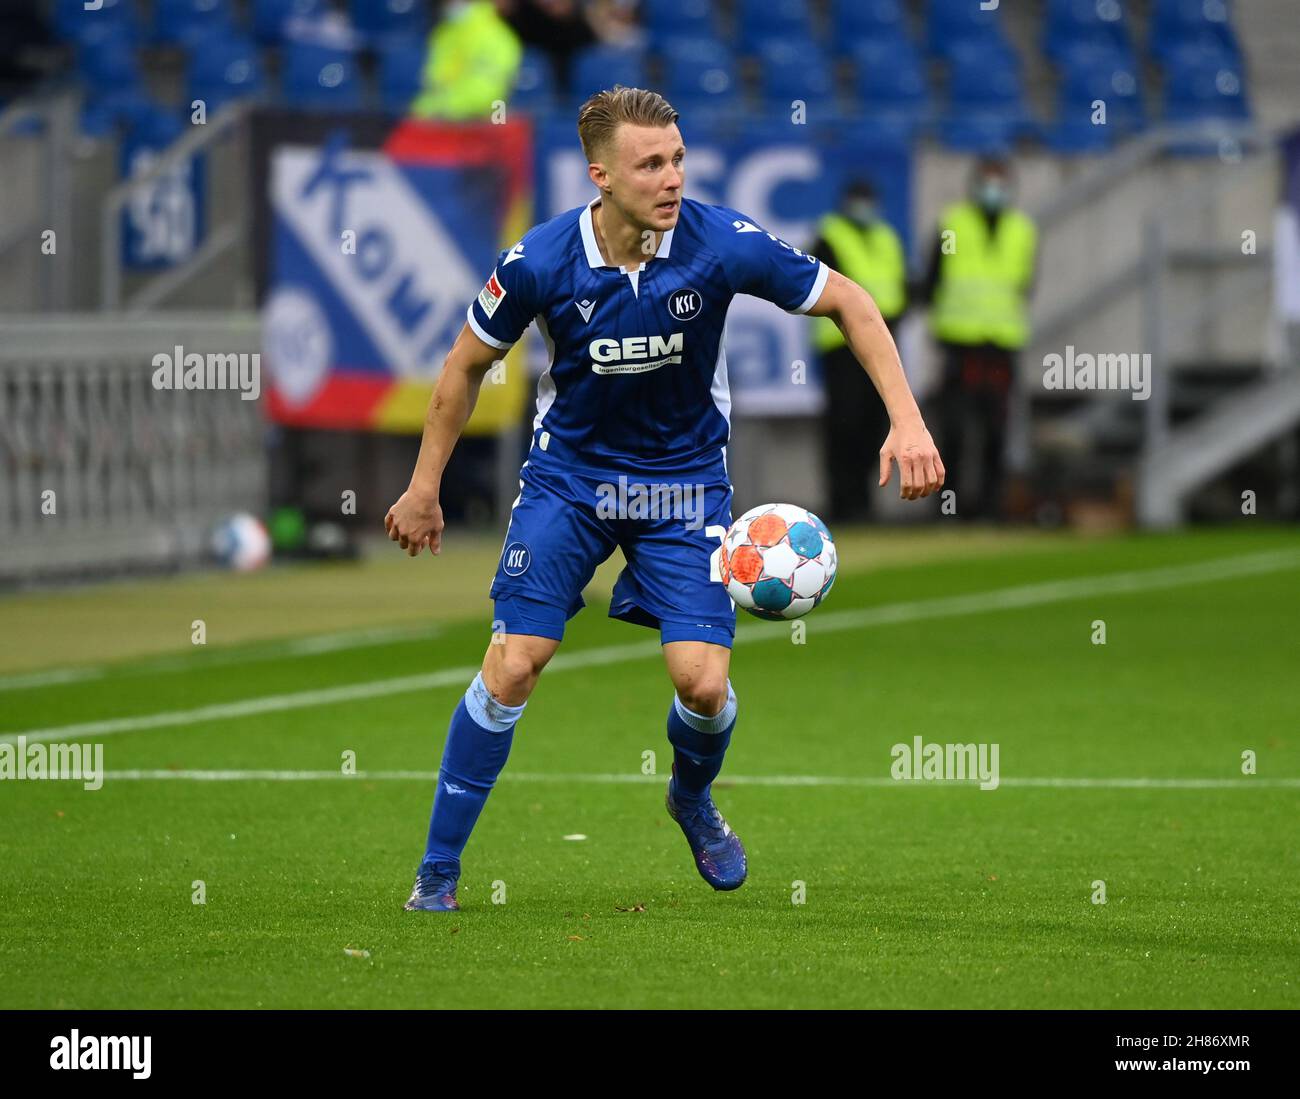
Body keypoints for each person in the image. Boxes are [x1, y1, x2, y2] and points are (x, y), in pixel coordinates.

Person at [385, 85, 944, 912]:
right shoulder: (539, 260)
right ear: (601, 175)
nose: (672, 176)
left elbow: (852, 302)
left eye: (678, 157)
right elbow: (465, 364)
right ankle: (437, 869)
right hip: (569, 481)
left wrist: (907, 420)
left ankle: (689, 796)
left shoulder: (719, 243)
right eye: (651, 163)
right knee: (513, 665)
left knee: (702, 687)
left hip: (685, 487)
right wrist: (424, 485)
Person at [918, 157, 1037, 520]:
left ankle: (990, 507)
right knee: (953, 429)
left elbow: (1024, 284)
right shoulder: (952, 224)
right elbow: (933, 281)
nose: (993, 191)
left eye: (999, 183)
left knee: (996, 431)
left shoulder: (1022, 230)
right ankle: (948, 508)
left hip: (1001, 344)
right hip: (960, 342)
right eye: (988, 182)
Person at [809, 179, 908, 523]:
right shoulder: (829, 235)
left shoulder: (886, 238)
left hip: (882, 345)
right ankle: (842, 502)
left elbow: (900, 289)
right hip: (841, 346)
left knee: (873, 424)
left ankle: (864, 501)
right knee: (844, 425)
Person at [410, 0, 522, 121]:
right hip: (435, 122)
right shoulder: (444, 33)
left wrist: (437, 108)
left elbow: (486, 94)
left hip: (478, 126)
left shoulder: (497, 38)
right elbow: (432, 81)